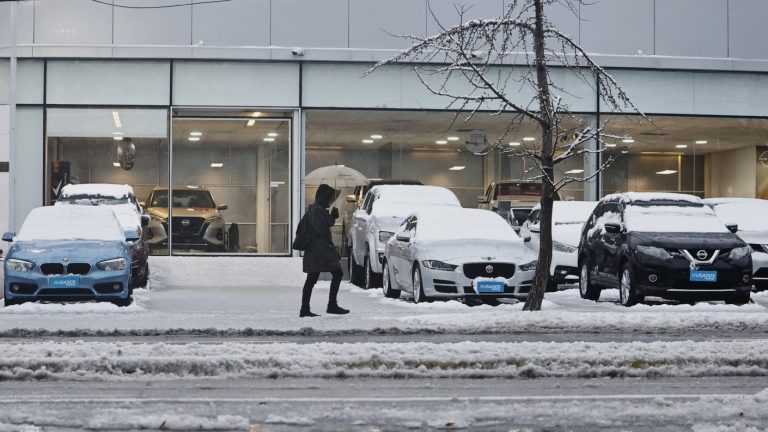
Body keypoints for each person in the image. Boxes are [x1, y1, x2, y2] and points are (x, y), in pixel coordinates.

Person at [300, 183, 349, 317]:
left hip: (318, 251)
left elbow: (321, 226)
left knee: (313, 278)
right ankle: (329, 305)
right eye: (329, 197)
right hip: (319, 251)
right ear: (324, 197)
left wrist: (331, 217)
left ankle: (307, 308)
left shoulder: (316, 209)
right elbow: (320, 229)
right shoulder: (317, 210)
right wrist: (332, 217)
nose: (330, 200)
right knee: (334, 274)